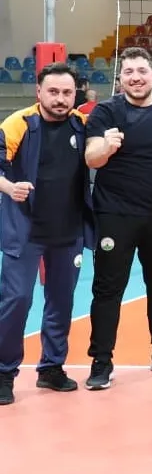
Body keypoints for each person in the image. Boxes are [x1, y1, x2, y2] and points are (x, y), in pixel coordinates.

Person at [83, 47, 152, 389]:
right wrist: (106, 146)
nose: (136, 77)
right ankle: (101, 360)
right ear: (120, 78)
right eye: (129, 72)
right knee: (107, 288)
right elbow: (91, 159)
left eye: (142, 71)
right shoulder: (106, 111)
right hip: (115, 215)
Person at [0, 63, 93, 403]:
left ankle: (51, 368)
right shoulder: (19, 123)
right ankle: (3, 372)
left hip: (69, 229)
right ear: (39, 92)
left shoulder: (83, 124)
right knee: (16, 300)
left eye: (67, 92)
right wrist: (9, 187)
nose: (60, 98)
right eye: (53, 91)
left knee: (61, 300)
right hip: (25, 230)